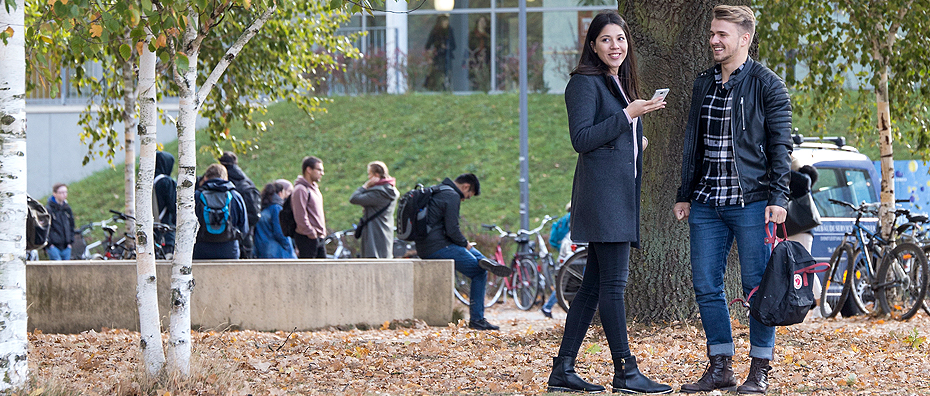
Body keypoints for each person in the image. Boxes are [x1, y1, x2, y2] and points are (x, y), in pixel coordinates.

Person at [546, 11, 670, 394]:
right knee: (614, 286)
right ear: (593, 46)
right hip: (604, 200)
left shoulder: (617, 82)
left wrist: (636, 142)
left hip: (616, 196)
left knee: (592, 287)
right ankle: (625, 371)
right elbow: (582, 139)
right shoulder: (584, 84)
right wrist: (629, 114)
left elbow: (610, 138)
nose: (615, 46)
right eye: (606, 40)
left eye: (620, 39)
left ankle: (563, 370)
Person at [672, 5, 793, 394]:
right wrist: (684, 193)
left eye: (722, 34)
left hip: (753, 200)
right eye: (712, 33)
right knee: (706, 285)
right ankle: (720, 365)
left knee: (758, 288)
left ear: (745, 38)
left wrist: (779, 196)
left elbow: (780, 146)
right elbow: (693, 141)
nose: (713, 40)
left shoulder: (767, 84)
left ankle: (759, 370)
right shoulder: (704, 82)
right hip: (707, 202)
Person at [416, 173, 512, 331]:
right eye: (468, 196)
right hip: (438, 247)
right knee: (479, 272)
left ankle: (484, 260)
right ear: (466, 187)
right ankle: (477, 319)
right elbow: (452, 230)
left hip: (426, 245)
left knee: (476, 258)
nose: (465, 199)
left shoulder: (438, 190)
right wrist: (465, 244)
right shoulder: (452, 195)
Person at [193, 164, 249, 260]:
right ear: (225, 178)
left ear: (206, 178)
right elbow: (244, 228)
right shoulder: (235, 196)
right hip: (229, 249)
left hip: (201, 249)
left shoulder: (197, 196)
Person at [349, 161, 399, 259]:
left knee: (372, 262)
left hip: (374, 234)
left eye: (369, 174)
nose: (368, 177)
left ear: (376, 175)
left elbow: (354, 198)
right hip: (386, 231)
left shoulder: (378, 193)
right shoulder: (391, 190)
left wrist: (365, 186)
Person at [219, 151, 262, 259]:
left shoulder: (223, 184)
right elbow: (255, 215)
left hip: (223, 236)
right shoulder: (247, 182)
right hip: (246, 237)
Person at [540, 202, 571, 318]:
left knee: (562, 282)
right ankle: (547, 306)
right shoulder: (574, 219)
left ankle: (548, 306)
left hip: (565, 253)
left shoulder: (564, 219)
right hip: (573, 253)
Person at [292, 156, 327, 259]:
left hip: (318, 237)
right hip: (308, 238)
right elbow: (300, 216)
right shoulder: (301, 190)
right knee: (309, 272)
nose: (322, 173)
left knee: (323, 271)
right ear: (309, 170)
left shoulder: (315, 189)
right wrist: (311, 233)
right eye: (319, 170)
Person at [254, 179, 297, 259]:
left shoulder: (263, 208)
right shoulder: (277, 208)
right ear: (280, 193)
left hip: (262, 250)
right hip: (277, 252)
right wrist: (288, 246)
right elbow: (280, 232)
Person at [153, 151, 177, 257]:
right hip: (166, 232)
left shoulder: (146, 182)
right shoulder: (166, 182)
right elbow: (174, 207)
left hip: (149, 230)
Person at [424, 15, 456, 91]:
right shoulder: (435, 31)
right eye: (445, 21)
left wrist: (447, 47)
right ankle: (437, 88)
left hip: (447, 56)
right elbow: (428, 45)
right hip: (438, 57)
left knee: (447, 73)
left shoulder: (449, 31)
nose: (446, 23)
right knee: (438, 73)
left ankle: (446, 88)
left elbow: (454, 45)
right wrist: (431, 53)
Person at [46, 183, 75, 260]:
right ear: (54, 194)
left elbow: (71, 225)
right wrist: (49, 245)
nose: (64, 195)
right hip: (54, 247)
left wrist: (70, 242)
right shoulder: (49, 209)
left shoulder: (67, 208)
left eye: (65, 192)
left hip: (66, 246)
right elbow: (46, 227)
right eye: (61, 193)